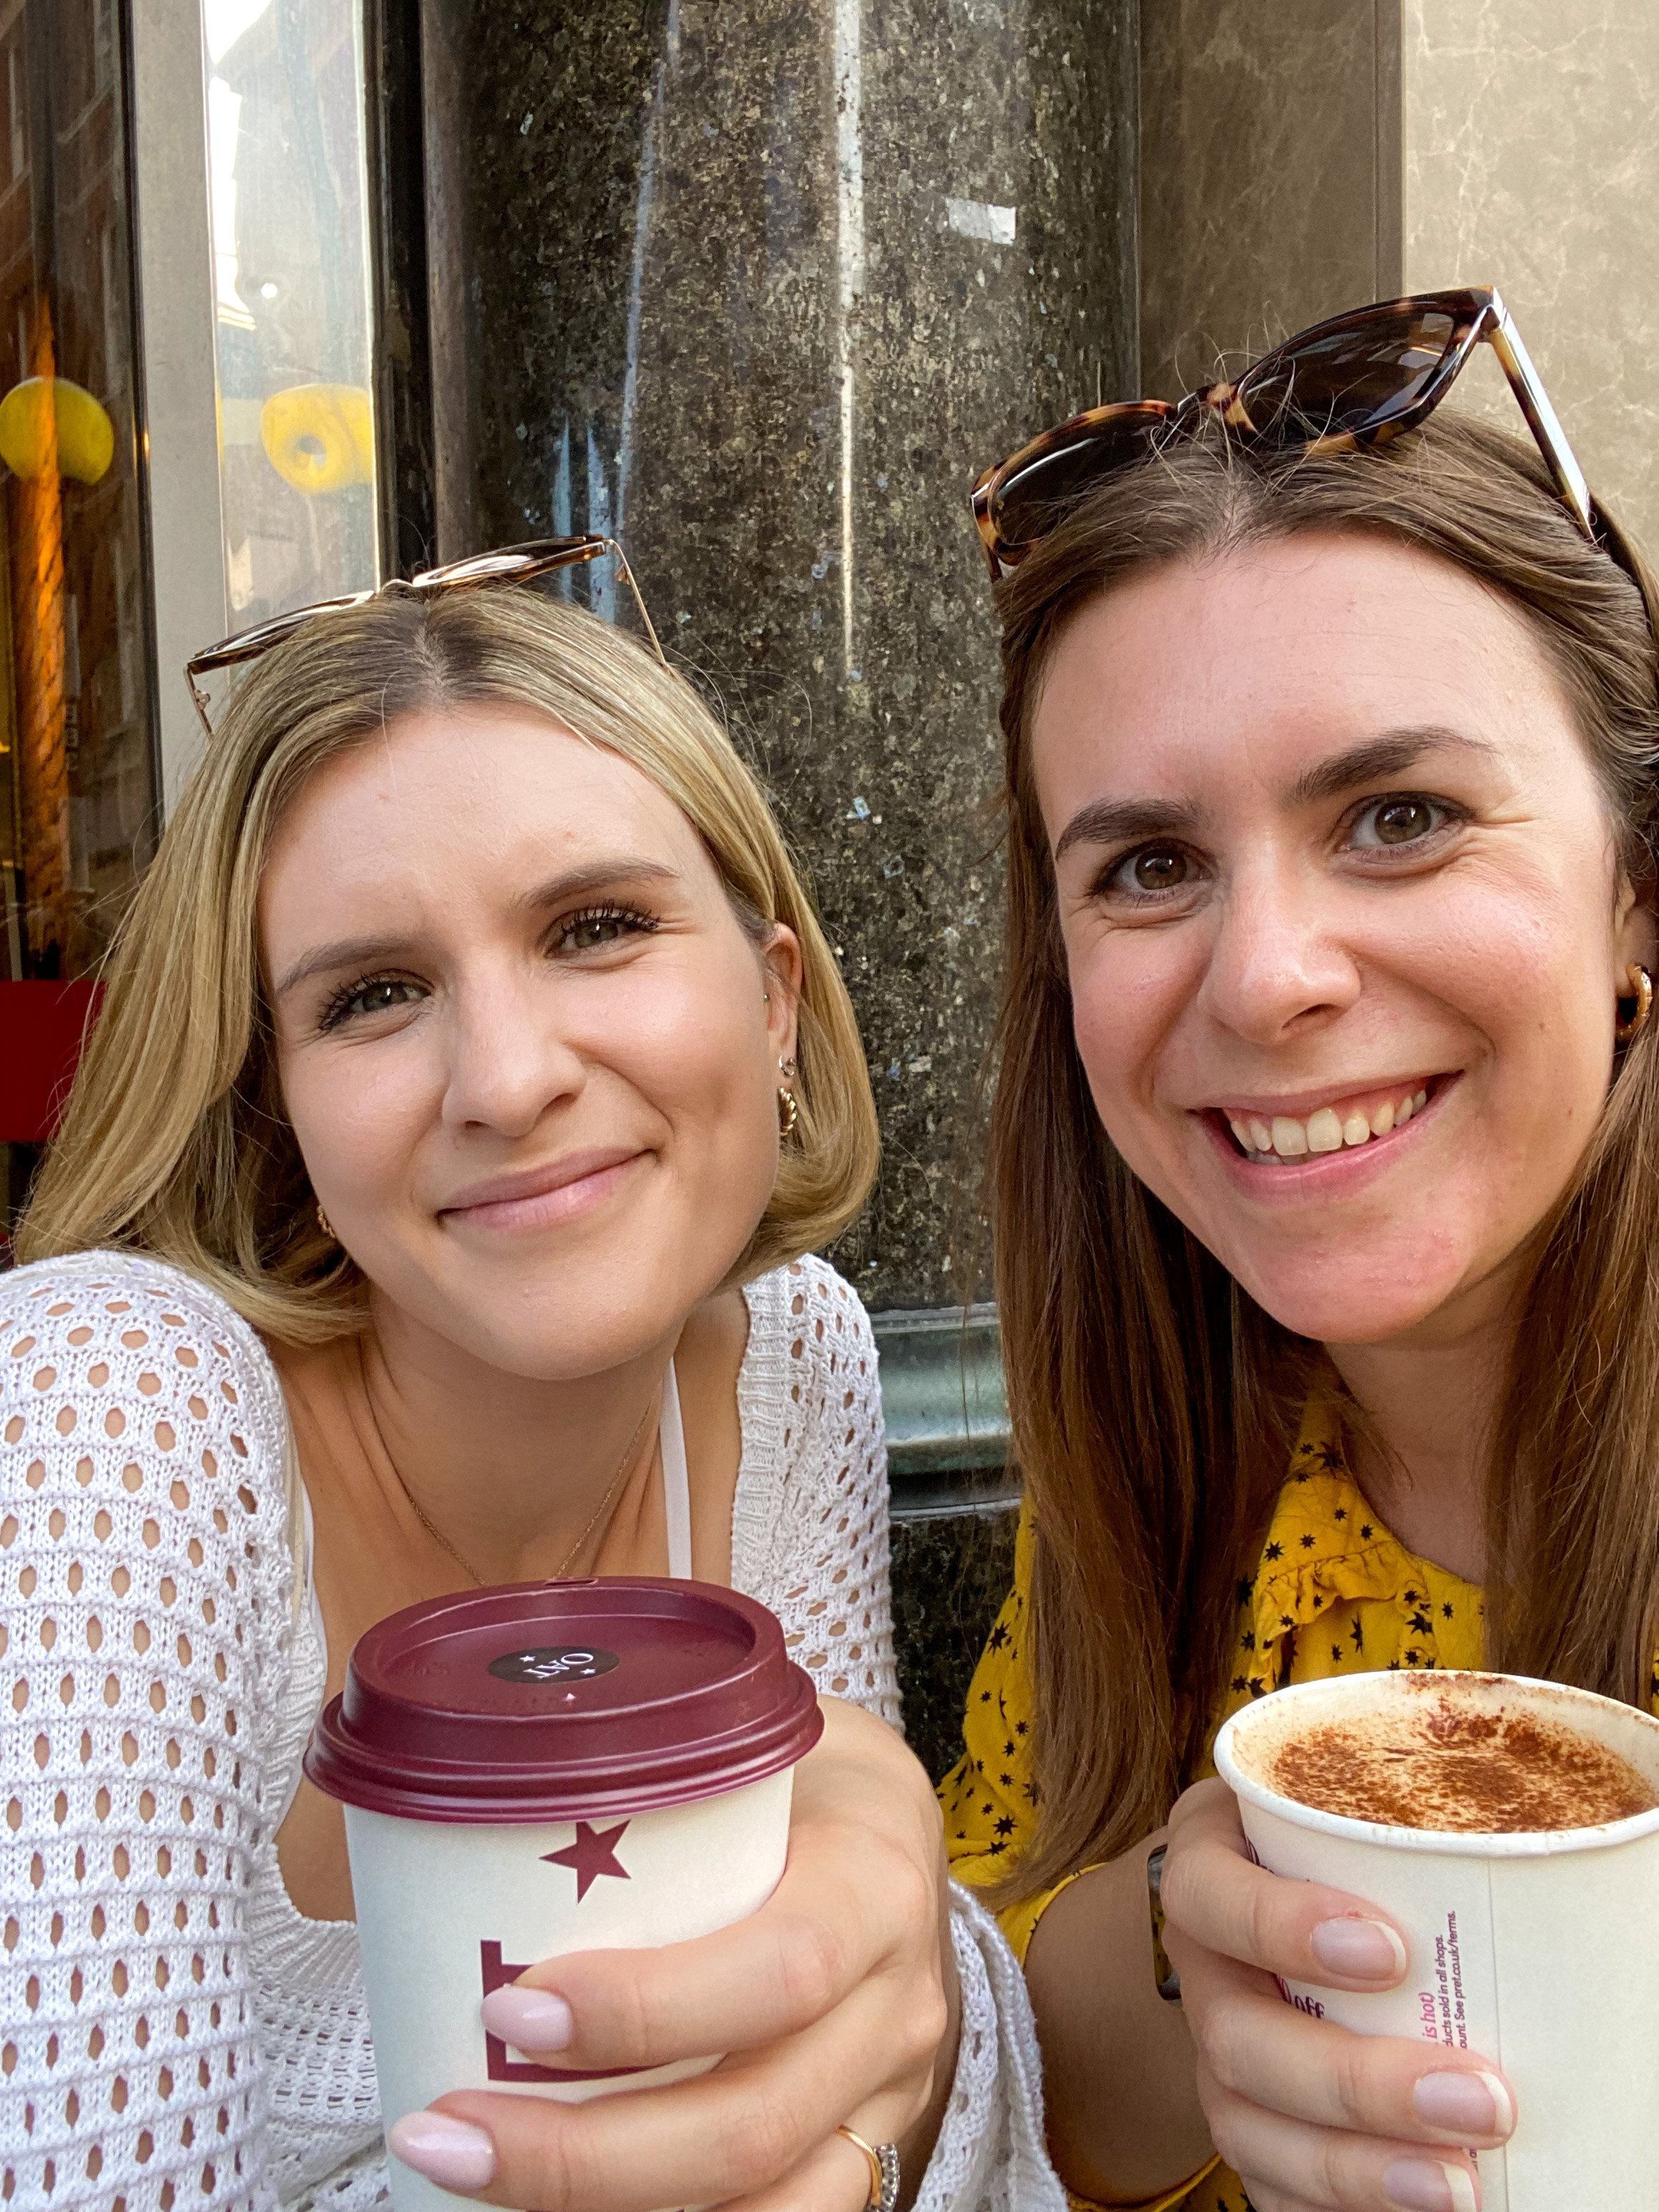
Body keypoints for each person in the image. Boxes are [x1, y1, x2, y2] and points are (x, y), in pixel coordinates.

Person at [0, 567, 1058, 2212]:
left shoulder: (791, 1357)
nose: (505, 1077)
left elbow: (856, 2055)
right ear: (277, 1102)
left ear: (774, 1001)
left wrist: (885, 2043)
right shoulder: (110, 1407)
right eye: (372, 994)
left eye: (597, 927)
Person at [945, 291, 1659, 2212]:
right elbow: (1014, 2070)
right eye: (1147, 868)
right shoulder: (1164, 1454)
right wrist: (1202, 1927)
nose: (1264, 980)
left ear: (1632, 899)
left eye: (1400, 816)